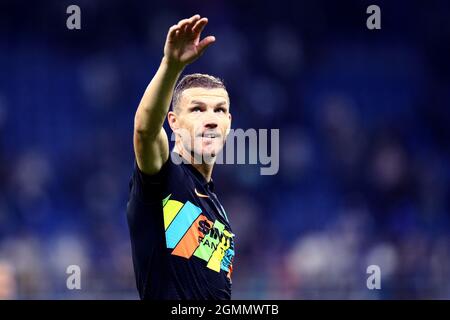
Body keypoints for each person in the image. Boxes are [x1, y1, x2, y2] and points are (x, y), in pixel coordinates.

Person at [127, 14, 235, 300]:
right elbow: (145, 130)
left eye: (219, 110)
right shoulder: (164, 176)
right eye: (197, 109)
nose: (211, 119)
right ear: (173, 121)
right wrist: (171, 65)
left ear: (229, 122)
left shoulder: (217, 209)